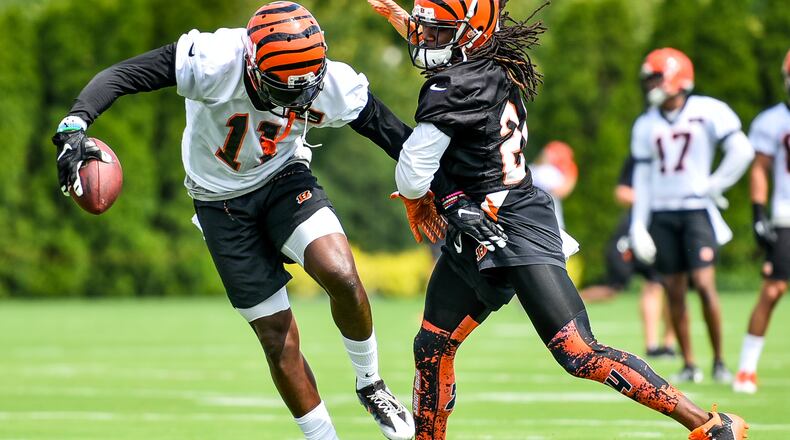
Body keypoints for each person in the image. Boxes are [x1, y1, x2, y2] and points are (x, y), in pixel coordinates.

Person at [50, 2, 433, 439]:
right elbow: (125, 75)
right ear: (251, 66)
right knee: (277, 338)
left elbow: (394, 135)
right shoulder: (214, 60)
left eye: (307, 87)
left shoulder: (328, 82)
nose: (301, 100)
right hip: (218, 203)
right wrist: (74, 124)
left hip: (283, 178)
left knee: (341, 273)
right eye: (284, 89)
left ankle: (372, 384)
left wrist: (450, 193)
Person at [370, 1, 748, 439]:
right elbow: (460, 66)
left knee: (578, 351)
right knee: (432, 346)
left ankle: (711, 426)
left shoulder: (459, 83)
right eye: (424, 30)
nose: (423, 38)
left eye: (437, 31)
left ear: (469, 34)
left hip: (510, 223)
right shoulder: (489, 61)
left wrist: (423, 199)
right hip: (477, 219)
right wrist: (415, 29)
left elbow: (413, 171)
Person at [628, 48, 754, 384]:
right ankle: (689, 363)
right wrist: (637, 224)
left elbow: (742, 150)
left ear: (673, 77)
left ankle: (719, 361)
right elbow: (642, 177)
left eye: (655, 76)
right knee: (674, 290)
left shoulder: (707, 111)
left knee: (705, 284)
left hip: (696, 210)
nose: (650, 84)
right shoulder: (646, 123)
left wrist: (715, 184)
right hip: (663, 212)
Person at [733, 49, 790, 394]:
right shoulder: (773, 120)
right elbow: (760, 168)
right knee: (773, 289)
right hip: (786, 213)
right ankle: (746, 369)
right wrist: (758, 214)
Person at [580, 156, 676, 358]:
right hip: (636, 232)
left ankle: (665, 345)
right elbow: (622, 192)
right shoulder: (640, 156)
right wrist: (654, 199)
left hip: (667, 229)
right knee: (616, 288)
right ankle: (652, 345)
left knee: (666, 284)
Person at [529, 141, 578, 230]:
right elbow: (562, 190)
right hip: (547, 223)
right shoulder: (548, 173)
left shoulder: (531, 170)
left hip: (536, 219)